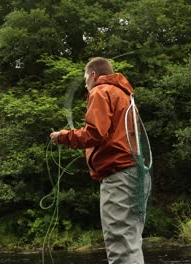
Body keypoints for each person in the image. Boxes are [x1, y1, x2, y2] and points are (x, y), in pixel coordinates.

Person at [50, 57, 151, 264]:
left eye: (85, 77)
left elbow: (95, 134)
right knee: (130, 241)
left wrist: (63, 137)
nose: (85, 82)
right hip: (138, 174)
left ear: (94, 75)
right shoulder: (125, 96)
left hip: (119, 175)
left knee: (120, 243)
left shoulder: (100, 91)